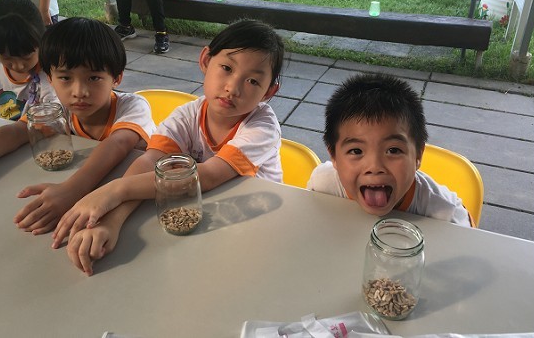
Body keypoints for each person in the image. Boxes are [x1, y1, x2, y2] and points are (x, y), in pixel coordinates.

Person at [51, 19, 285, 275]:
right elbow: (149, 161)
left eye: (253, 81)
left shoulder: (262, 127)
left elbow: (207, 176)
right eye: (227, 68)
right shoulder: (187, 115)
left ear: (268, 92)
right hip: (204, 218)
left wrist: (114, 189)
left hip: (256, 227)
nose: (232, 88)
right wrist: (111, 221)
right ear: (206, 61)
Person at [0, 17, 158, 235]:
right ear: (50, 78)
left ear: (116, 78)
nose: (79, 92)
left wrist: (72, 190)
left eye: (94, 78)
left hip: (140, 203)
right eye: (65, 78)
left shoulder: (133, 106)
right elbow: (16, 132)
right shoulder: (57, 107)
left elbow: (118, 143)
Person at [306, 73, 473, 227]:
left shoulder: (446, 213)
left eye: (393, 150)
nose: (374, 167)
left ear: (418, 156)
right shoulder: (322, 186)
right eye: (356, 151)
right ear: (334, 156)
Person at [0, 0, 55, 120]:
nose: (18, 66)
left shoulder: (50, 72)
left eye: (27, 57)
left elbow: (49, 120)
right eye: (7, 59)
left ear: (41, 40)